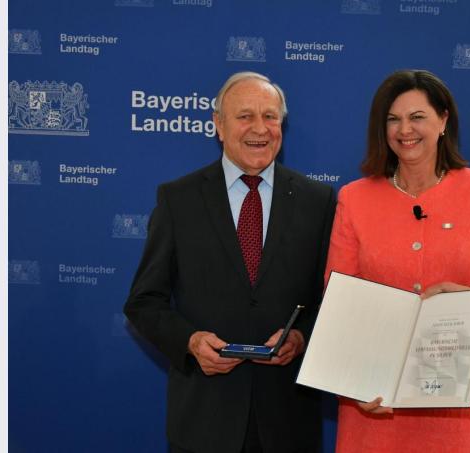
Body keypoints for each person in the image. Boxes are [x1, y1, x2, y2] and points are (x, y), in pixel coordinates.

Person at [324, 69, 470, 452]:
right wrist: (350, 382)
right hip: (373, 392)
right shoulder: (354, 198)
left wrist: (468, 299)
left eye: (417, 116)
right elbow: (338, 301)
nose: (405, 129)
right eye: (393, 119)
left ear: (443, 120)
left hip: (453, 388)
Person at [124, 71, 335, 453]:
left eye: (270, 117)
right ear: (218, 125)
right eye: (245, 116)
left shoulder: (319, 201)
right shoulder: (178, 200)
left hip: (289, 424)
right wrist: (189, 342)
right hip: (204, 421)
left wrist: (302, 336)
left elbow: (331, 299)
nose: (260, 128)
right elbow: (144, 302)